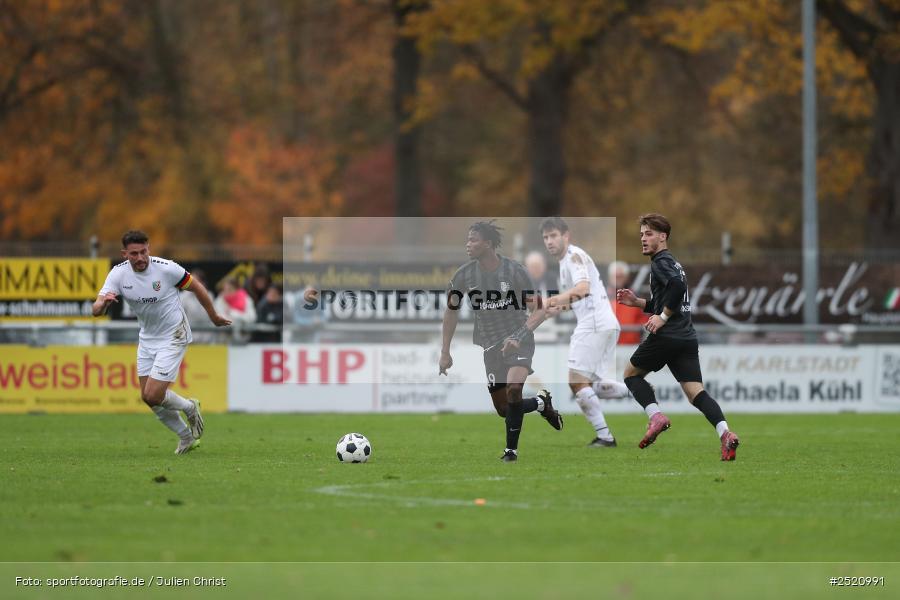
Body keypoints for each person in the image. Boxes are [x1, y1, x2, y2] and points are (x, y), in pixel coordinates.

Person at [93, 230, 231, 455]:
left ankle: (189, 407)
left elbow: (196, 287)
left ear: (149, 248)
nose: (140, 258)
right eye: (134, 253)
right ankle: (187, 437)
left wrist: (213, 316)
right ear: (124, 254)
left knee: (153, 394)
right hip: (147, 338)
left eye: (143, 252)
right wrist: (104, 304)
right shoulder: (118, 275)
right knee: (150, 399)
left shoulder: (167, 268)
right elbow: (96, 309)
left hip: (174, 334)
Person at [616, 213, 740, 460]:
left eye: (648, 234)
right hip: (686, 337)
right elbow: (669, 296)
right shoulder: (672, 263)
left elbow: (677, 289)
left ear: (663, 237)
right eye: (641, 234)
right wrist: (637, 302)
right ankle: (725, 433)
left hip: (667, 335)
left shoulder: (660, 262)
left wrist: (662, 317)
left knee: (630, 374)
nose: (643, 239)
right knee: (696, 393)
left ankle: (656, 417)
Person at [439, 220, 563, 462]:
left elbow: (539, 310)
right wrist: (445, 352)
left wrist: (519, 335)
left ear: (487, 244)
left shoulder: (514, 271)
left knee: (514, 388)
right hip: (490, 346)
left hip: (519, 339)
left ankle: (510, 452)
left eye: (473, 240)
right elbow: (450, 311)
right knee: (505, 409)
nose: (468, 244)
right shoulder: (464, 275)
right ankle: (540, 403)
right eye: (468, 239)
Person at [540, 217, 630, 448]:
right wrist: (553, 310)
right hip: (602, 323)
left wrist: (551, 299)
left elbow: (582, 289)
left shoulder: (573, 256)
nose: (549, 241)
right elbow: (577, 299)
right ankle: (640, 391)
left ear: (566, 236)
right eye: (545, 237)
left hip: (594, 324)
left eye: (553, 236)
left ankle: (605, 437)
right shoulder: (564, 263)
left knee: (577, 381)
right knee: (591, 384)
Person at [608, 261, 644, 344]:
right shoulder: (602, 298)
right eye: (615, 276)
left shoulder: (636, 299)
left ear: (626, 278)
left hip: (630, 347)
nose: (617, 279)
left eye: (620, 276)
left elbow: (644, 323)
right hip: (608, 347)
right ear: (610, 277)